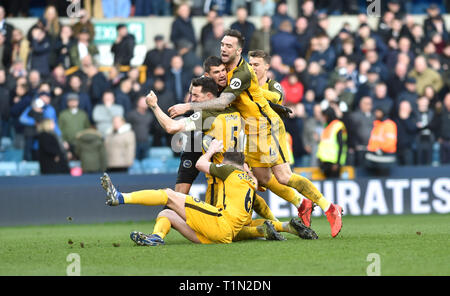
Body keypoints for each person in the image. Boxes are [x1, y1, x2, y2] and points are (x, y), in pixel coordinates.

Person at [168, 29, 342, 237]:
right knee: (262, 178)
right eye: (222, 44)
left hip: (266, 127)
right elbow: (250, 97)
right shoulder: (225, 72)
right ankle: (300, 204)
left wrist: (187, 107)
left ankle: (329, 208)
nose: (224, 48)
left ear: (239, 50)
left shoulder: (241, 72)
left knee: (284, 176)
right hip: (250, 130)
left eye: (229, 45)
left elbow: (225, 101)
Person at [100, 139, 258, 245]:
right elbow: (256, 183)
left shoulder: (229, 170)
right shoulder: (251, 182)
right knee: (167, 214)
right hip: (222, 235)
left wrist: (211, 151)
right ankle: (156, 237)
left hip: (220, 223)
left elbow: (200, 164)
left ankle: (120, 197)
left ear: (224, 160)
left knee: (169, 194)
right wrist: (247, 169)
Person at [365, 108, 397, 176]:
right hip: (374, 157)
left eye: (379, 112)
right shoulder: (376, 124)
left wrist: (381, 149)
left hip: (385, 157)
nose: (377, 114)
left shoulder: (389, 124)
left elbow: (390, 142)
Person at [317, 107, 347, 178]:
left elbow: (341, 145)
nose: (323, 118)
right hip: (325, 162)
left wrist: (338, 163)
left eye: (324, 116)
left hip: (333, 164)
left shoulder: (338, 126)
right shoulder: (327, 126)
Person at [126, 96, 154, 160]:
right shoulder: (131, 114)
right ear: (138, 103)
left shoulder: (150, 115)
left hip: (146, 142)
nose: (144, 103)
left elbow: (152, 129)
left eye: (146, 102)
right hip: (134, 143)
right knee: (134, 162)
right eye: (143, 102)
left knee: (146, 162)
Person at [395, 100, 417, 166]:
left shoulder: (413, 118)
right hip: (396, 149)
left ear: (410, 109)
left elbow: (412, 129)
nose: (403, 110)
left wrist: (405, 119)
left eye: (405, 108)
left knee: (408, 170)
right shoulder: (395, 120)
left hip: (408, 149)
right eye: (402, 108)